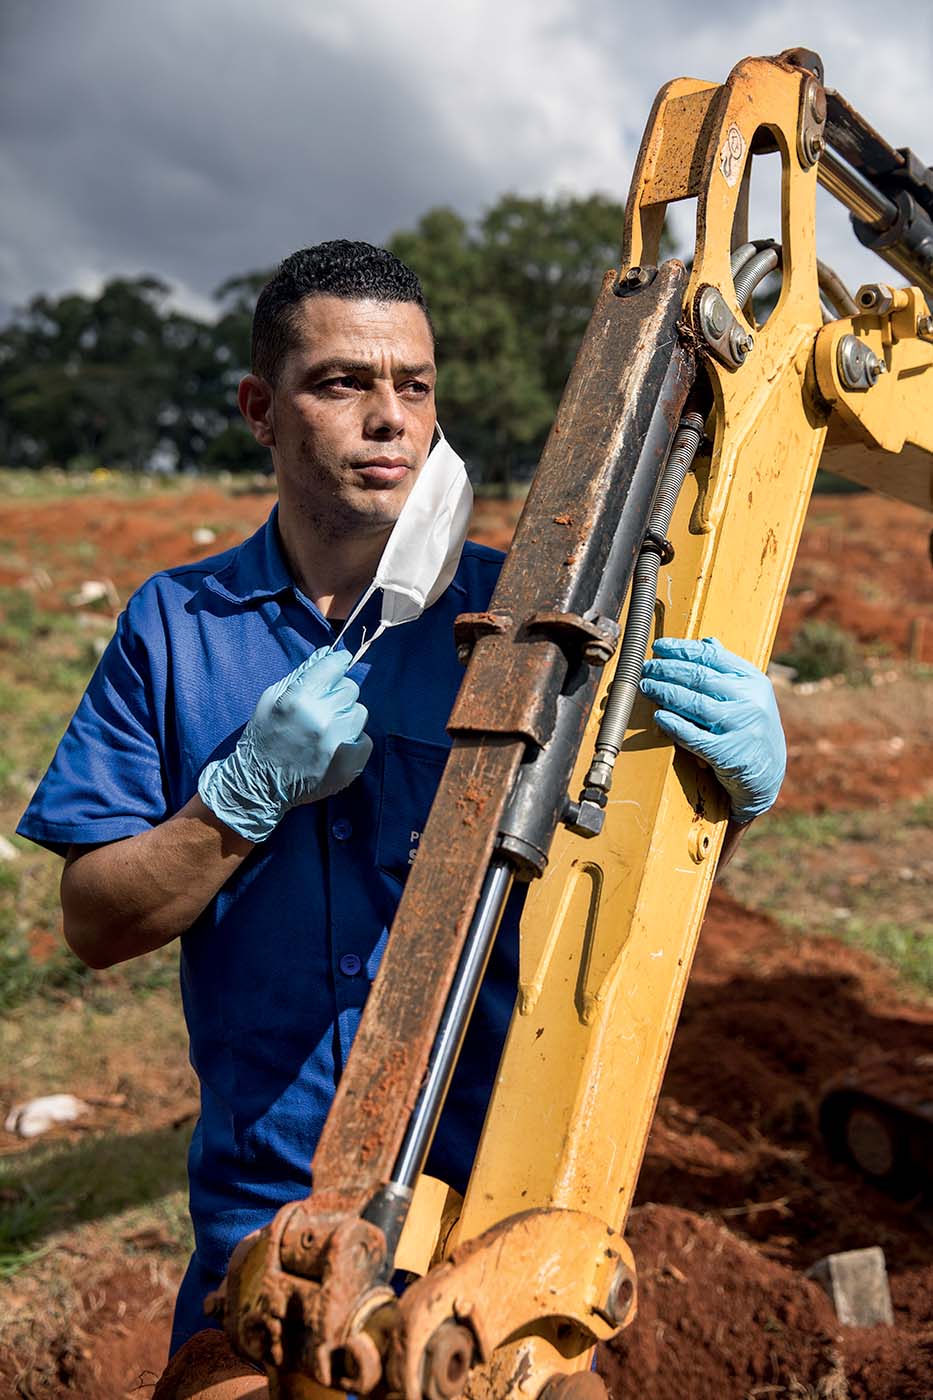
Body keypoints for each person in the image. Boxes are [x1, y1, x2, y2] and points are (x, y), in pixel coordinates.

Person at [17, 241, 786, 1377]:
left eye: (413, 386)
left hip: (500, 1222)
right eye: (342, 382)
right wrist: (241, 796)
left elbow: (632, 868)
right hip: (270, 1233)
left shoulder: (535, 614)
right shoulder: (176, 627)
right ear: (259, 408)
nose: (390, 418)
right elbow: (95, 921)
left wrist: (742, 786)